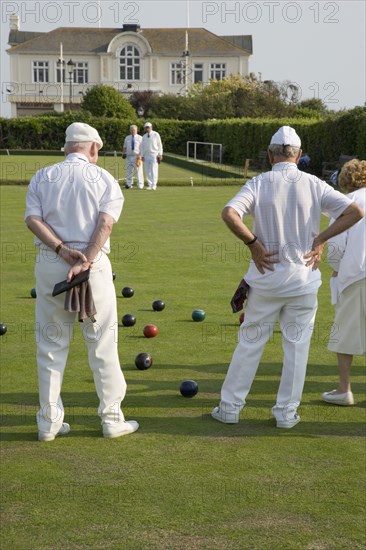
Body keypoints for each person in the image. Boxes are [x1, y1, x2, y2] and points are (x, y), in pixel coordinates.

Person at [211, 126, 364, 429]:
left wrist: (253, 243)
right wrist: (320, 239)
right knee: (297, 347)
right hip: (303, 280)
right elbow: (355, 212)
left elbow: (230, 214)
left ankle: (229, 408)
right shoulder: (314, 184)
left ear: (270, 155)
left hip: (266, 278)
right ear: (299, 154)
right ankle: (285, 414)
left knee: (250, 343)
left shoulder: (258, 182)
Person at [25, 122, 139, 441]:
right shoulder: (104, 178)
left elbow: (33, 220)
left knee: (50, 344)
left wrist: (63, 250)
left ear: (66, 147)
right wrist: (86, 258)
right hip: (93, 265)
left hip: (52, 263)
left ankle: (48, 423)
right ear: (92, 148)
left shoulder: (43, 176)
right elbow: (105, 223)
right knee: (101, 343)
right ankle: (111, 418)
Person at [322, 159, 366, 406]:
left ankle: (344, 389)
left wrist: (337, 270)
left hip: (358, 275)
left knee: (346, 334)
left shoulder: (348, 204)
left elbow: (336, 246)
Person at [140, 122, 163, 190]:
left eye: (148, 127)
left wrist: (160, 154)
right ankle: (150, 184)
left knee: (154, 170)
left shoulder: (156, 134)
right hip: (146, 155)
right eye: (146, 127)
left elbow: (159, 145)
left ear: (151, 127)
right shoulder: (144, 136)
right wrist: (142, 155)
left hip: (154, 155)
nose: (147, 128)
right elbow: (142, 147)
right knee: (147, 171)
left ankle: (154, 185)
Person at [122, 124, 144, 189]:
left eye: (134, 130)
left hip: (137, 156)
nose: (132, 131)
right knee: (129, 171)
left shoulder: (140, 138)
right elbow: (124, 147)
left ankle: (140, 184)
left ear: (136, 130)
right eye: (131, 130)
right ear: (130, 130)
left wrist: (140, 155)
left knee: (138, 171)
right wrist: (123, 153)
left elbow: (142, 148)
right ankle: (129, 184)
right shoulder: (127, 138)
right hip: (129, 156)